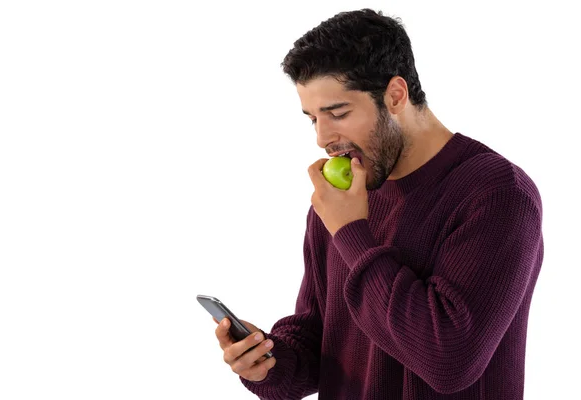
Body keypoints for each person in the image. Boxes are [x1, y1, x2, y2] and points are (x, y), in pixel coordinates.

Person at [212, 8, 543, 400]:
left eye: (338, 113)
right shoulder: (342, 197)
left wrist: (352, 233)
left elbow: (450, 361)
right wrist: (269, 363)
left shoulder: (497, 195)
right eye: (312, 118)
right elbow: (321, 338)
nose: (322, 137)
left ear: (396, 95)